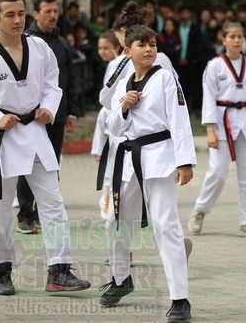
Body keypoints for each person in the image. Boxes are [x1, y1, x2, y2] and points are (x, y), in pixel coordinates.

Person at [99, 25, 195, 323]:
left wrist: (185, 161)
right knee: (114, 221)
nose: (149, 49)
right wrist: (124, 107)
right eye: (141, 44)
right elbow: (113, 127)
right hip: (128, 159)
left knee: (165, 225)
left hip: (160, 158)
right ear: (127, 51)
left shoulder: (166, 78)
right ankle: (120, 278)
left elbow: (180, 119)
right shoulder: (123, 83)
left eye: (152, 43)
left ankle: (180, 298)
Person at [0, 0, 90, 295]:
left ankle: (59, 270)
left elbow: (54, 81)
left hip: (35, 130)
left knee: (52, 201)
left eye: (21, 13)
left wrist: (49, 106)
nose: (17, 20)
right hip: (4, 136)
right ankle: (1, 271)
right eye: (10, 14)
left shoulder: (38, 47)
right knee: (0, 207)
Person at [188, 22, 246, 238]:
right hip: (221, 121)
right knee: (218, 172)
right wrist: (210, 132)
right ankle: (200, 210)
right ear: (222, 39)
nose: (236, 40)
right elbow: (208, 99)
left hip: (245, 121)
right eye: (232, 36)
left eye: (240, 36)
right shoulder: (214, 65)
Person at [17, 0, 81, 235]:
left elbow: (69, 80)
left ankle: (43, 213)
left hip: (57, 114)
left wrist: (72, 111)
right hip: (30, 116)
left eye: (56, 11)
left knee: (51, 164)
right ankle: (25, 214)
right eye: (48, 11)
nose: (53, 16)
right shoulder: (27, 41)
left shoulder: (62, 43)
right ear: (36, 14)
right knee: (27, 163)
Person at [91, 31, 122, 219]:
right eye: (99, 48)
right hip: (112, 123)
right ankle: (107, 207)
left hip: (121, 124)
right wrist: (98, 148)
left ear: (116, 47)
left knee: (114, 173)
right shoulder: (113, 65)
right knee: (111, 172)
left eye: (106, 48)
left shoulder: (118, 64)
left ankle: (109, 207)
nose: (102, 52)